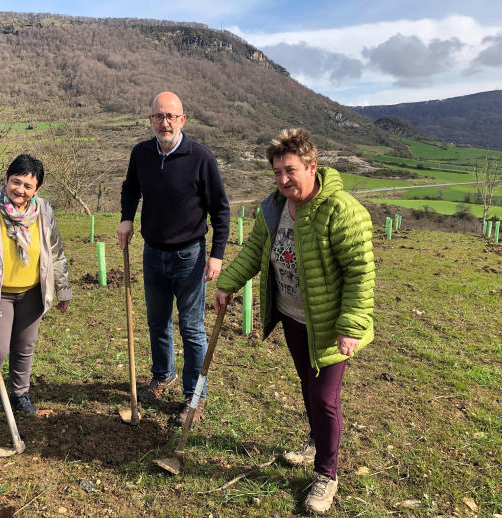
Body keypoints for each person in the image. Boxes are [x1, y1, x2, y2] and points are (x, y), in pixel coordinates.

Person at [214, 128, 374, 514]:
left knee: (324, 398)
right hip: (292, 316)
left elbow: (360, 272)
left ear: (312, 166)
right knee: (307, 385)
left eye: (290, 170)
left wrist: (351, 325)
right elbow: (255, 251)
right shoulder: (273, 207)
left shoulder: (342, 210)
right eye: (276, 172)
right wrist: (227, 284)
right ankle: (317, 440)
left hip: (329, 324)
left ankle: (326, 474)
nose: (283, 179)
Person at [117, 91, 230, 424]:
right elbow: (130, 188)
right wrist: (127, 217)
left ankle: (194, 398)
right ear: (150, 120)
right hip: (152, 253)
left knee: (193, 330)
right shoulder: (141, 153)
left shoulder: (201, 157)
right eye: (158, 116)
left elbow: (221, 210)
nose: (164, 122)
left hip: (190, 257)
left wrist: (216, 255)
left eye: (171, 116)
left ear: (183, 119)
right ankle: (163, 374)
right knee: (157, 323)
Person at [0, 154, 72, 432]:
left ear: (37, 189)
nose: (20, 190)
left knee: (25, 347)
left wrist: (63, 288)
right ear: (6, 180)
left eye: (27, 186)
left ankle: (20, 394)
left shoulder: (43, 211)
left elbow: (55, 252)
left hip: (33, 291)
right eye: (15, 182)